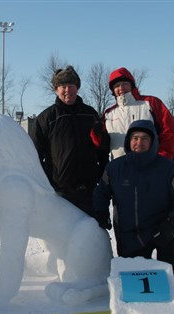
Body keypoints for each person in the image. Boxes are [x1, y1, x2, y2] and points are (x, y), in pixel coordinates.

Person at [93, 120, 174, 294]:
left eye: (144, 139)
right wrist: (101, 213)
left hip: (161, 229)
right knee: (134, 276)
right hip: (129, 234)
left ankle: (171, 280)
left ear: (153, 141)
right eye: (135, 138)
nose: (139, 143)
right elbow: (100, 193)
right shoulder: (115, 168)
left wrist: (171, 225)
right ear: (128, 141)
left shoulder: (168, 168)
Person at [30, 65, 110, 217]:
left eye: (71, 86)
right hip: (60, 191)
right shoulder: (47, 118)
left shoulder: (90, 114)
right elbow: (35, 153)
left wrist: (101, 173)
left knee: (91, 232)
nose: (67, 90)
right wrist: (46, 181)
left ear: (77, 87)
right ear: (56, 89)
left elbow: (102, 147)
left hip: (89, 188)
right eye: (63, 86)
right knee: (64, 237)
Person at [104, 67, 174, 162]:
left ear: (132, 85)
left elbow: (170, 131)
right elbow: (102, 144)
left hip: (151, 166)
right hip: (120, 169)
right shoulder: (109, 114)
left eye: (125, 84)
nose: (121, 88)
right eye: (117, 85)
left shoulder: (151, 103)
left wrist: (163, 158)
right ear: (113, 90)